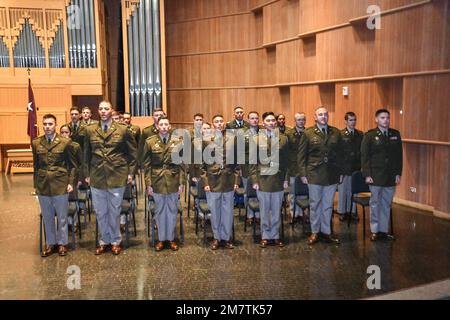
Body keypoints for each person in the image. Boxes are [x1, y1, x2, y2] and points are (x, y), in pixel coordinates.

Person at [83, 101, 137, 255]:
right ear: (98, 111)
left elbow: (133, 154)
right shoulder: (90, 130)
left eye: (106, 109)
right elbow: (86, 154)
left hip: (117, 175)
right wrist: (86, 174)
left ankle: (115, 241)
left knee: (114, 211)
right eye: (100, 109)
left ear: (111, 110)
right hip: (97, 175)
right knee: (100, 211)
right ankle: (103, 241)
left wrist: (130, 173)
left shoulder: (123, 129)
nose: (103, 111)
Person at [32, 114, 77, 257]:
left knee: (62, 216)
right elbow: (36, 165)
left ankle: (62, 243)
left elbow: (73, 165)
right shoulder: (36, 143)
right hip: (43, 184)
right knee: (47, 216)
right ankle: (51, 243)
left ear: (55, 125)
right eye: (45, 124)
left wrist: (71, 182)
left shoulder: (65, 142)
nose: (47, 127)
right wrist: (36, 185)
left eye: (50, 124)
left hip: (60, 183)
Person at [299, 106, 343, 245]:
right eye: (320, 114)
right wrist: (303, 174)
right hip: (314, 174)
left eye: (325, 114)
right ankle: (315, 232)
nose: (323, 116)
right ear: (315, 117)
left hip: (331, 174)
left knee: (328, 205)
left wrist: (340, 172)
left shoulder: (335, 132)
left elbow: (341, 155)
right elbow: (301, 155)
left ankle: (326, 232)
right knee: (315, 204)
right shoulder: (308, 133)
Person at [143, 117, 185, 251]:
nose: (164, 126)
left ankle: (171, 238)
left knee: (172, 211)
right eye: (161, 124)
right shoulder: (150, 142)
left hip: (173, 180)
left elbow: (182, 165)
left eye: (166, 124)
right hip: (157, 181)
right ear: (157, 127)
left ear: (170, 126)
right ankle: (161, 239)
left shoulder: (178, 142)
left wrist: (181, 182)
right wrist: (148, 184)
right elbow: (146, 165)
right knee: (160, 211)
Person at [361, 109, 402, 241]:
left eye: (388, 118)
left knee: (386, 204)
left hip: (390, 176)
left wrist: (398, 173)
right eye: (383, 118)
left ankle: (383, 230)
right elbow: (365, 157)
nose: (386, 120)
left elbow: (398, 156)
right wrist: (367, 174)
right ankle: (375, 230)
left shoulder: (395, 134)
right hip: (376, 175)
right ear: (376, 120)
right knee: (375, 203)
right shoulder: (370, 135)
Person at [249, 112, 289, 248]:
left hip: (278, 179)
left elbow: (286, 161)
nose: (271, 122)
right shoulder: (256, 139)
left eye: (273, 120)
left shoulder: (283, 138)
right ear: (263, 123)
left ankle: (276, 235)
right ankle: (265, 235)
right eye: (268, 120)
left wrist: (286, 179)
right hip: (263, 179)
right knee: (265, 210)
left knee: (277, 209)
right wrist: (254, 180)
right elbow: (252, 162)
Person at [201, 115, 240, 250]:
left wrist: (236, 180)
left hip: (228, 180)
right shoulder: (206, 140)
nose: (219, 124)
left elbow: (237, 163)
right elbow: (201, 165)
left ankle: (227, 237)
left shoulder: (232, 138)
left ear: (224, 123)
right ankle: (217, 238)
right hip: (212, 181)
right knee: (215, 211)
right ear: (212, 124)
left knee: (228, 211)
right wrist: (205, 182)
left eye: (221, 121)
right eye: (216, 121)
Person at [338, 112, 363, 221]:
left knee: (354, 192)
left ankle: (352, 211)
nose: (353, 122)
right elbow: (338, 154)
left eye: (354, 120)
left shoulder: (360, 134)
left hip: (356, 168)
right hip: (344, 168)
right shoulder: (341, 134)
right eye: (350, 120)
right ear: (346, 121)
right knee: (343, 191)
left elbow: (362, 152)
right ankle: (342, 212)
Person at [286, 113, 306, 222]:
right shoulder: (289, 134)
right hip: (293, 167)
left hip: (304, 168)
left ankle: (301, 213)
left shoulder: (308, 133)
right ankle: (293, 213)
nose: (301, 122)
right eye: (299, 120)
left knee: (303, 192)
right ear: (295, 121)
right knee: (293, 192)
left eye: (303, 120)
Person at [241, 111, 261, 224]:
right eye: (252, 118)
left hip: (260, 168)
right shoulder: (243, 133)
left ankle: (258, 215)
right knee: (247, 192)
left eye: (256, 118)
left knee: (259, 191)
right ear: (248, 120)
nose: (254, 120)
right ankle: (249, 214)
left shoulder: (263, 131)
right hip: (247, 167)